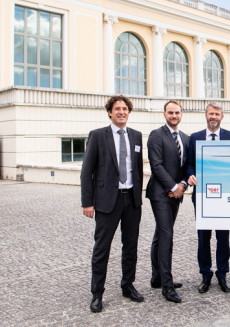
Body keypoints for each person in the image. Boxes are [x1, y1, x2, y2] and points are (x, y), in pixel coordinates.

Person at [81, 95, 145, 312]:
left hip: (132, 200)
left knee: (131, 246)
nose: (121, 112)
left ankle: (128, 285)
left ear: (129, 112)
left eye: (125, 108)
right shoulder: (98, 135)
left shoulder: (136, 136)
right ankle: (97, 293)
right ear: (110, 112)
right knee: (102, 248)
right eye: (117, 109)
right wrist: (87, 202)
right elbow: (87, 171)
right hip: (107, 200)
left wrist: (138, 196)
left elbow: (137, 169)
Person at [186, 102, 230, 294]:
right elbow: (189, 164)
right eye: (211, 114)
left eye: (217, 114)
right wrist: (190, 175)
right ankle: (205, 275)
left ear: (222, 117)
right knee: (203, 237)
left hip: (224, 196)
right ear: (205, 115)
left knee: (223, 237)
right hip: (202, 195)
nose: (213, 117)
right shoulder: (195, 137)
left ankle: (222, 274)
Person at [146, 100, 189, 303]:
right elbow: (156, 165)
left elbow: (188, 166)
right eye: (170, 112)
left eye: (177, 112)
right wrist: (173, 187)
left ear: (181, 114)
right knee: (166, 235)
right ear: (164, 114)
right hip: (160, 193)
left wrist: (182, 185)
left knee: (161, 234)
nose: (174, 116)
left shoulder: (186, 138)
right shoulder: (156, 135)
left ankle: (157, 277)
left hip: (176, 194)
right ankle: (167, 285)